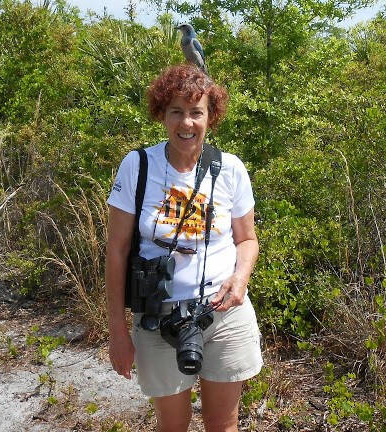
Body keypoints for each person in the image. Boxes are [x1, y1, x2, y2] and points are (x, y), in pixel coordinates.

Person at [105, 64, 261, 432]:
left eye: (196, 112)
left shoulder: (231, 169)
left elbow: (248, 239)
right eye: (176, 111)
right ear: (162, 114)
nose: (186, 123)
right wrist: (117, 330)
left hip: (222, 314)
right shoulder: (137, 166)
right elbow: (116, 250)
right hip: (159, 318)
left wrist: (240, 279)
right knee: (172, 425)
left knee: (223, 425)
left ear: (211, 117)